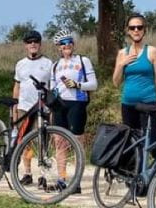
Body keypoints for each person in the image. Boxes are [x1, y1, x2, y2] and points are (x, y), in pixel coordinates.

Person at [112, 14, 156, 206]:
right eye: (132, 28)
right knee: (133, 146)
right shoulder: (122, 53)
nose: (136, 30)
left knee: (154, 145)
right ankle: (136, 185)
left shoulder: (152, 51)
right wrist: (121, 64)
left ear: (144, 30)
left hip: (149, 105)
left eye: (139, 27)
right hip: (128, 105)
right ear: (128, 31)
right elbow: (115, 82)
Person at [49, 30, 97, 194]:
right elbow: (52, 88)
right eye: (63, 43)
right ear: (58, 47)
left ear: (73, 44)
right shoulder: (55, 65)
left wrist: (78, 85)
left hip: (77, 104)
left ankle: (77, 181)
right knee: (59, 142)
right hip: (59, 105)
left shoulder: (83, 61)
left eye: (69, 42)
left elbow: (94, 84)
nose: (67, 45)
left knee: (77, 142)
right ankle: (61, 179)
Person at [12, 29, 53, 187]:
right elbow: (17, 86)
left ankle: (43, 174)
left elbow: (52, 87)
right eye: (29, 42)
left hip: (42, 108)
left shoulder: (48, 63)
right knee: (25, 142)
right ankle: (27, 173)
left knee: (43, 141)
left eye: (36, 41)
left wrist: (52, 109)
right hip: (24, 107)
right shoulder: (20, 64)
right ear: (25, 45)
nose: (33, 44)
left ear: (40, 44)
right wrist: (15, 107)